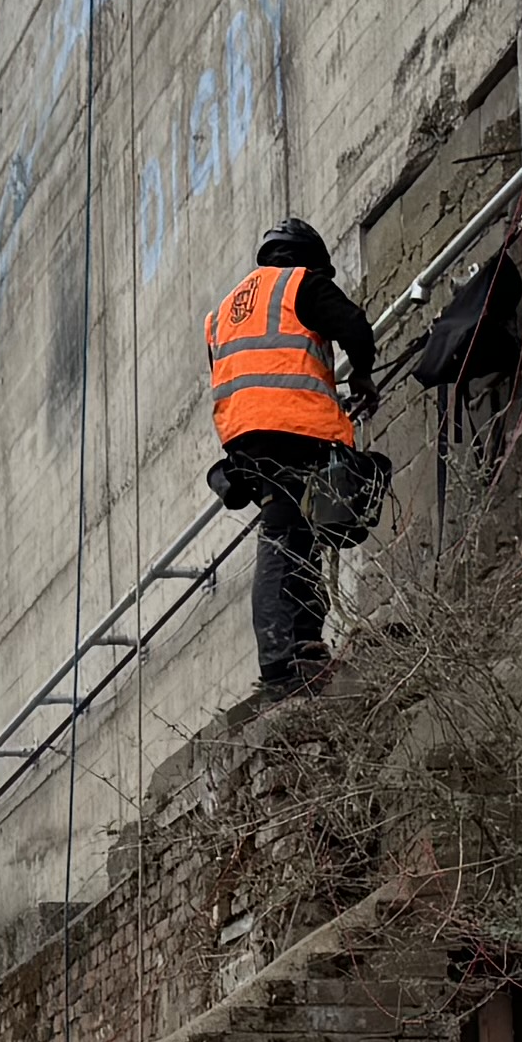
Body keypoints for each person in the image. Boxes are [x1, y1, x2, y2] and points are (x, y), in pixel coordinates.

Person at [202, 217, 380, 699]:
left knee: (301, 531)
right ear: (309, 257)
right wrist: (361, 376)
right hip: (294, 429)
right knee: (285, 536)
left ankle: (304, 641)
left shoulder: (223, 313)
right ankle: (280, 660)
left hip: (244, 440)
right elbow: (355, 328)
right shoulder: (301, 283)